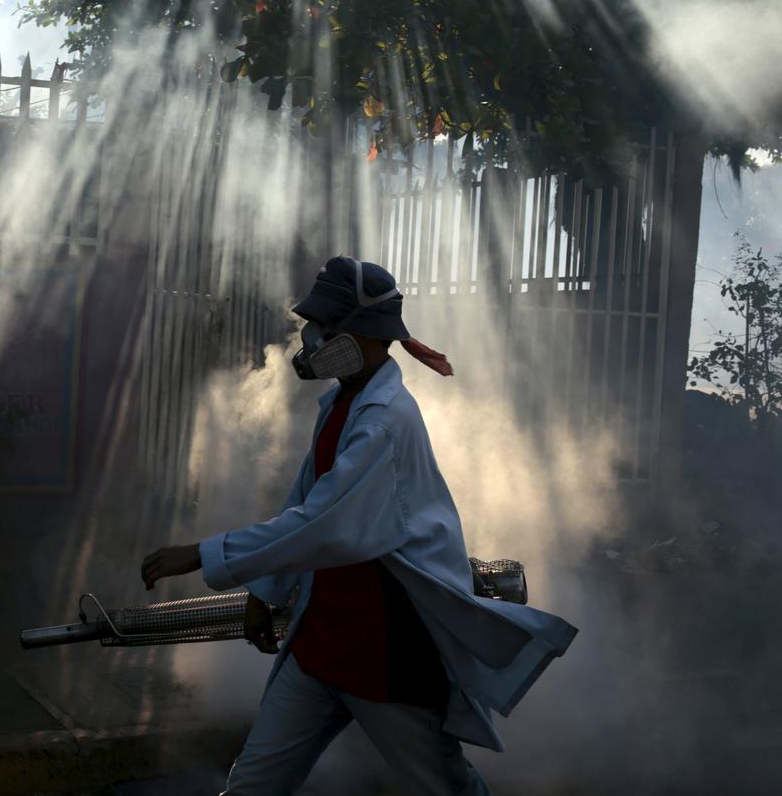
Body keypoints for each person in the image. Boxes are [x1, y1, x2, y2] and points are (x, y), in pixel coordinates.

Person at [140, 256, 577, 796]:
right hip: (321, 645)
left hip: (385, 656)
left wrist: (201, 553)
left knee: (444, 787)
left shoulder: (386, 422)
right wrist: (266, 590)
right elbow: (305, 497)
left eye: (327, 326)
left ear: (364, 333)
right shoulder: (345, 401)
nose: (314, 336)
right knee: (253, 785)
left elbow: (321, 525)